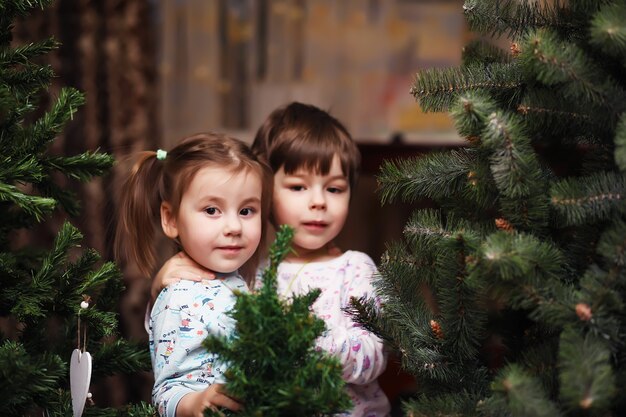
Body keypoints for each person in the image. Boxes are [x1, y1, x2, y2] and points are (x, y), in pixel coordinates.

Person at [153, 103, 391, 417]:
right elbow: (180, 342)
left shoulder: (356, 269)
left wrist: (306, 338)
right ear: (263, 193)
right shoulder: (246, 270)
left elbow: (374, 358)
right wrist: (161, 285)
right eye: (298, 187)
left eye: (334, 189)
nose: (318, 202)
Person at [114, 133, 273, 417]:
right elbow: (166, 392)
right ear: (171, 219)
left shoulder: (252, 281)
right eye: (212, 210)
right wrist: (195, 403)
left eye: (247, 210)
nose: (234, 226)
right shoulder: (180, 297)